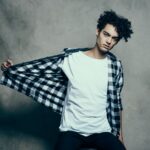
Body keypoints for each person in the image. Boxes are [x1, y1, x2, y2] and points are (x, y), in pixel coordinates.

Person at [1, 10, 133, 150]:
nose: (109, 41)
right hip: (72, 131)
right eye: (106, 34)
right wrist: (10, 70)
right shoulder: (72, 59)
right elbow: (37, 69)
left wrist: (120, 134)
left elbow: (117, 102)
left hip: (101, 131)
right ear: (97, 31)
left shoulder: (115, 66)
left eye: (114, 38)